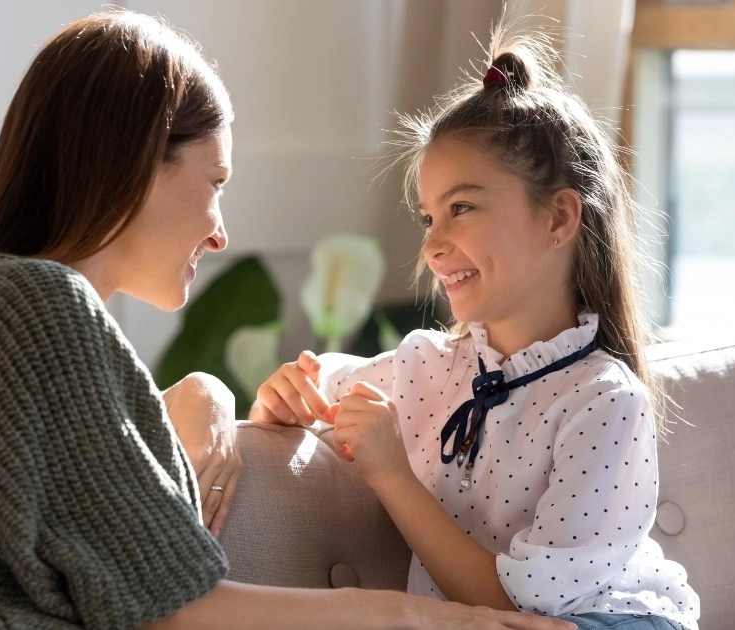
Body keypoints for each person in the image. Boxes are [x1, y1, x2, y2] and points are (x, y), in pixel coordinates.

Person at [0, 10, 576, 630]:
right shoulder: (30, 301)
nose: (221, 232)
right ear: (135, 162)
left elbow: (61, 502)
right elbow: (173, 607)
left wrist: (201, 393)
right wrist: (430, 617)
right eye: (215, 181)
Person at [251, 22, 700, 630]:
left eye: (461, 207)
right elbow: (325, 386)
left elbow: (525, 611)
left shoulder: (605, 403)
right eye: (429, 216)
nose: (433, 245)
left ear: (559, 218)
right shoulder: (430, 369)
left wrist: (391, 473)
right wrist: (285, 395)